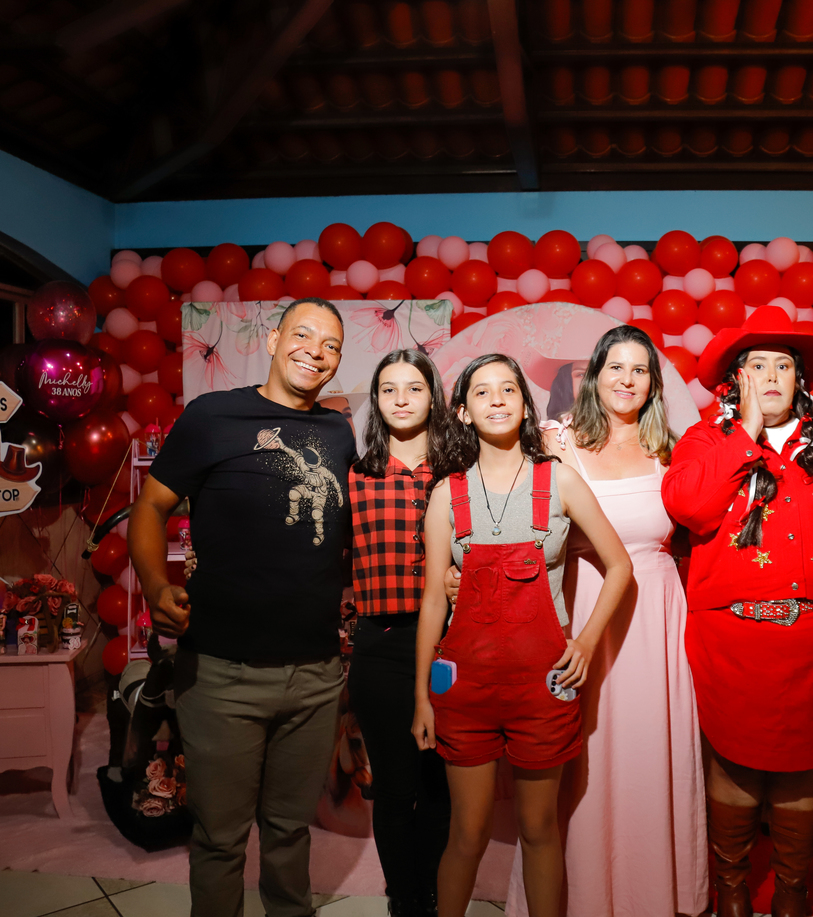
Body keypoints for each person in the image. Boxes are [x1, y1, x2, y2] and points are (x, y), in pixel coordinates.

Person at [661, 306, 813, 917]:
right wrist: (747, 433)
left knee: (802, 769)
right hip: (729, 638)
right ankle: (733, 890)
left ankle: (791, 890)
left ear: (800, 379)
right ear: (736, 380)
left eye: (783, 366)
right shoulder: (706, 441)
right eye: (756, 365)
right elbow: (690, 508)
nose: (770, 376)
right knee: (732, 764)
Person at [129, 298, 355, 917]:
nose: (315, 351)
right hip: (221, 673)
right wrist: (155, 586)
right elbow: (150, 507)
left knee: (289, 833)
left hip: (315, 675)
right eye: (303, 335)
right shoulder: (213, 415)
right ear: (275, 339)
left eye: (331, 345)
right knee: (220, 838)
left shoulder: (339, 433)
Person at [412, 354, 632, 917]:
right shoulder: (447, 495)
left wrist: (585, 642)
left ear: (525, 405)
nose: (497, 399)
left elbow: (620, 567)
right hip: (465, 691)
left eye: (508, 389)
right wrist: (421, 699)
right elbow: (434, 599)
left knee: (539, 829)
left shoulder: (559, 479)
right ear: (463, 412)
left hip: (543, 687)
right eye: (482, 392)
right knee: (467, 832)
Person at [504, 325, 709, 917]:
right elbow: (518, 528)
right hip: (581, 607)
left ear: (654, 383)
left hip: (655, 615)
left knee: (647, 751)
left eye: (639, 370)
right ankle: (581, 897)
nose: (627, 379)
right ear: (593, 376)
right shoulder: (556, 441)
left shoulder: (673, 450)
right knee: (580, 756)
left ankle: (652, 895)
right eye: (615, 367)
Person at [346, 350, 453, 917]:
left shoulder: (460, 471)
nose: (402, 399)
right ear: (376, 400)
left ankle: (432, 894)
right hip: (382, 644)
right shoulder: (355, 475)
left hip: (450, 646)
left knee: (440, 784)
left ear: (434, 396)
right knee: (393, 787)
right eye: (389, 389)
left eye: (414, 387)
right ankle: (403, 901)